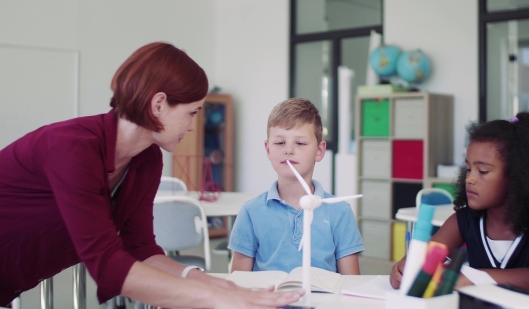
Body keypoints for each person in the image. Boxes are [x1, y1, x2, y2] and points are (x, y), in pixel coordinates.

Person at [0, 42, 303, 308]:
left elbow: (139, 246)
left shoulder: (147, 160)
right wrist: (216, 300)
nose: (193, 125)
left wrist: (208, 282)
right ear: (159, 105)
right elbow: (106, 263)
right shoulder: (71, 148)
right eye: (192, 113)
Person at [389, 112, 529, 291]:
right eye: (468, 169)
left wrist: (478, 278)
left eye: (483, 171)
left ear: (519, 176)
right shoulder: (462, 221)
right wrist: (405, 269)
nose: (469, 179)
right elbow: (427, 259)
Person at [228, 97, 364, 274]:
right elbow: (240, 282)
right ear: (268, 149)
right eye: (279, 143)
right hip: (267, 301)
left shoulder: (340, 211)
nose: (289, 150)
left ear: (319, 151)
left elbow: (351, 282)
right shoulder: (250, 212)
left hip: (323, 302)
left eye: (300, 143)